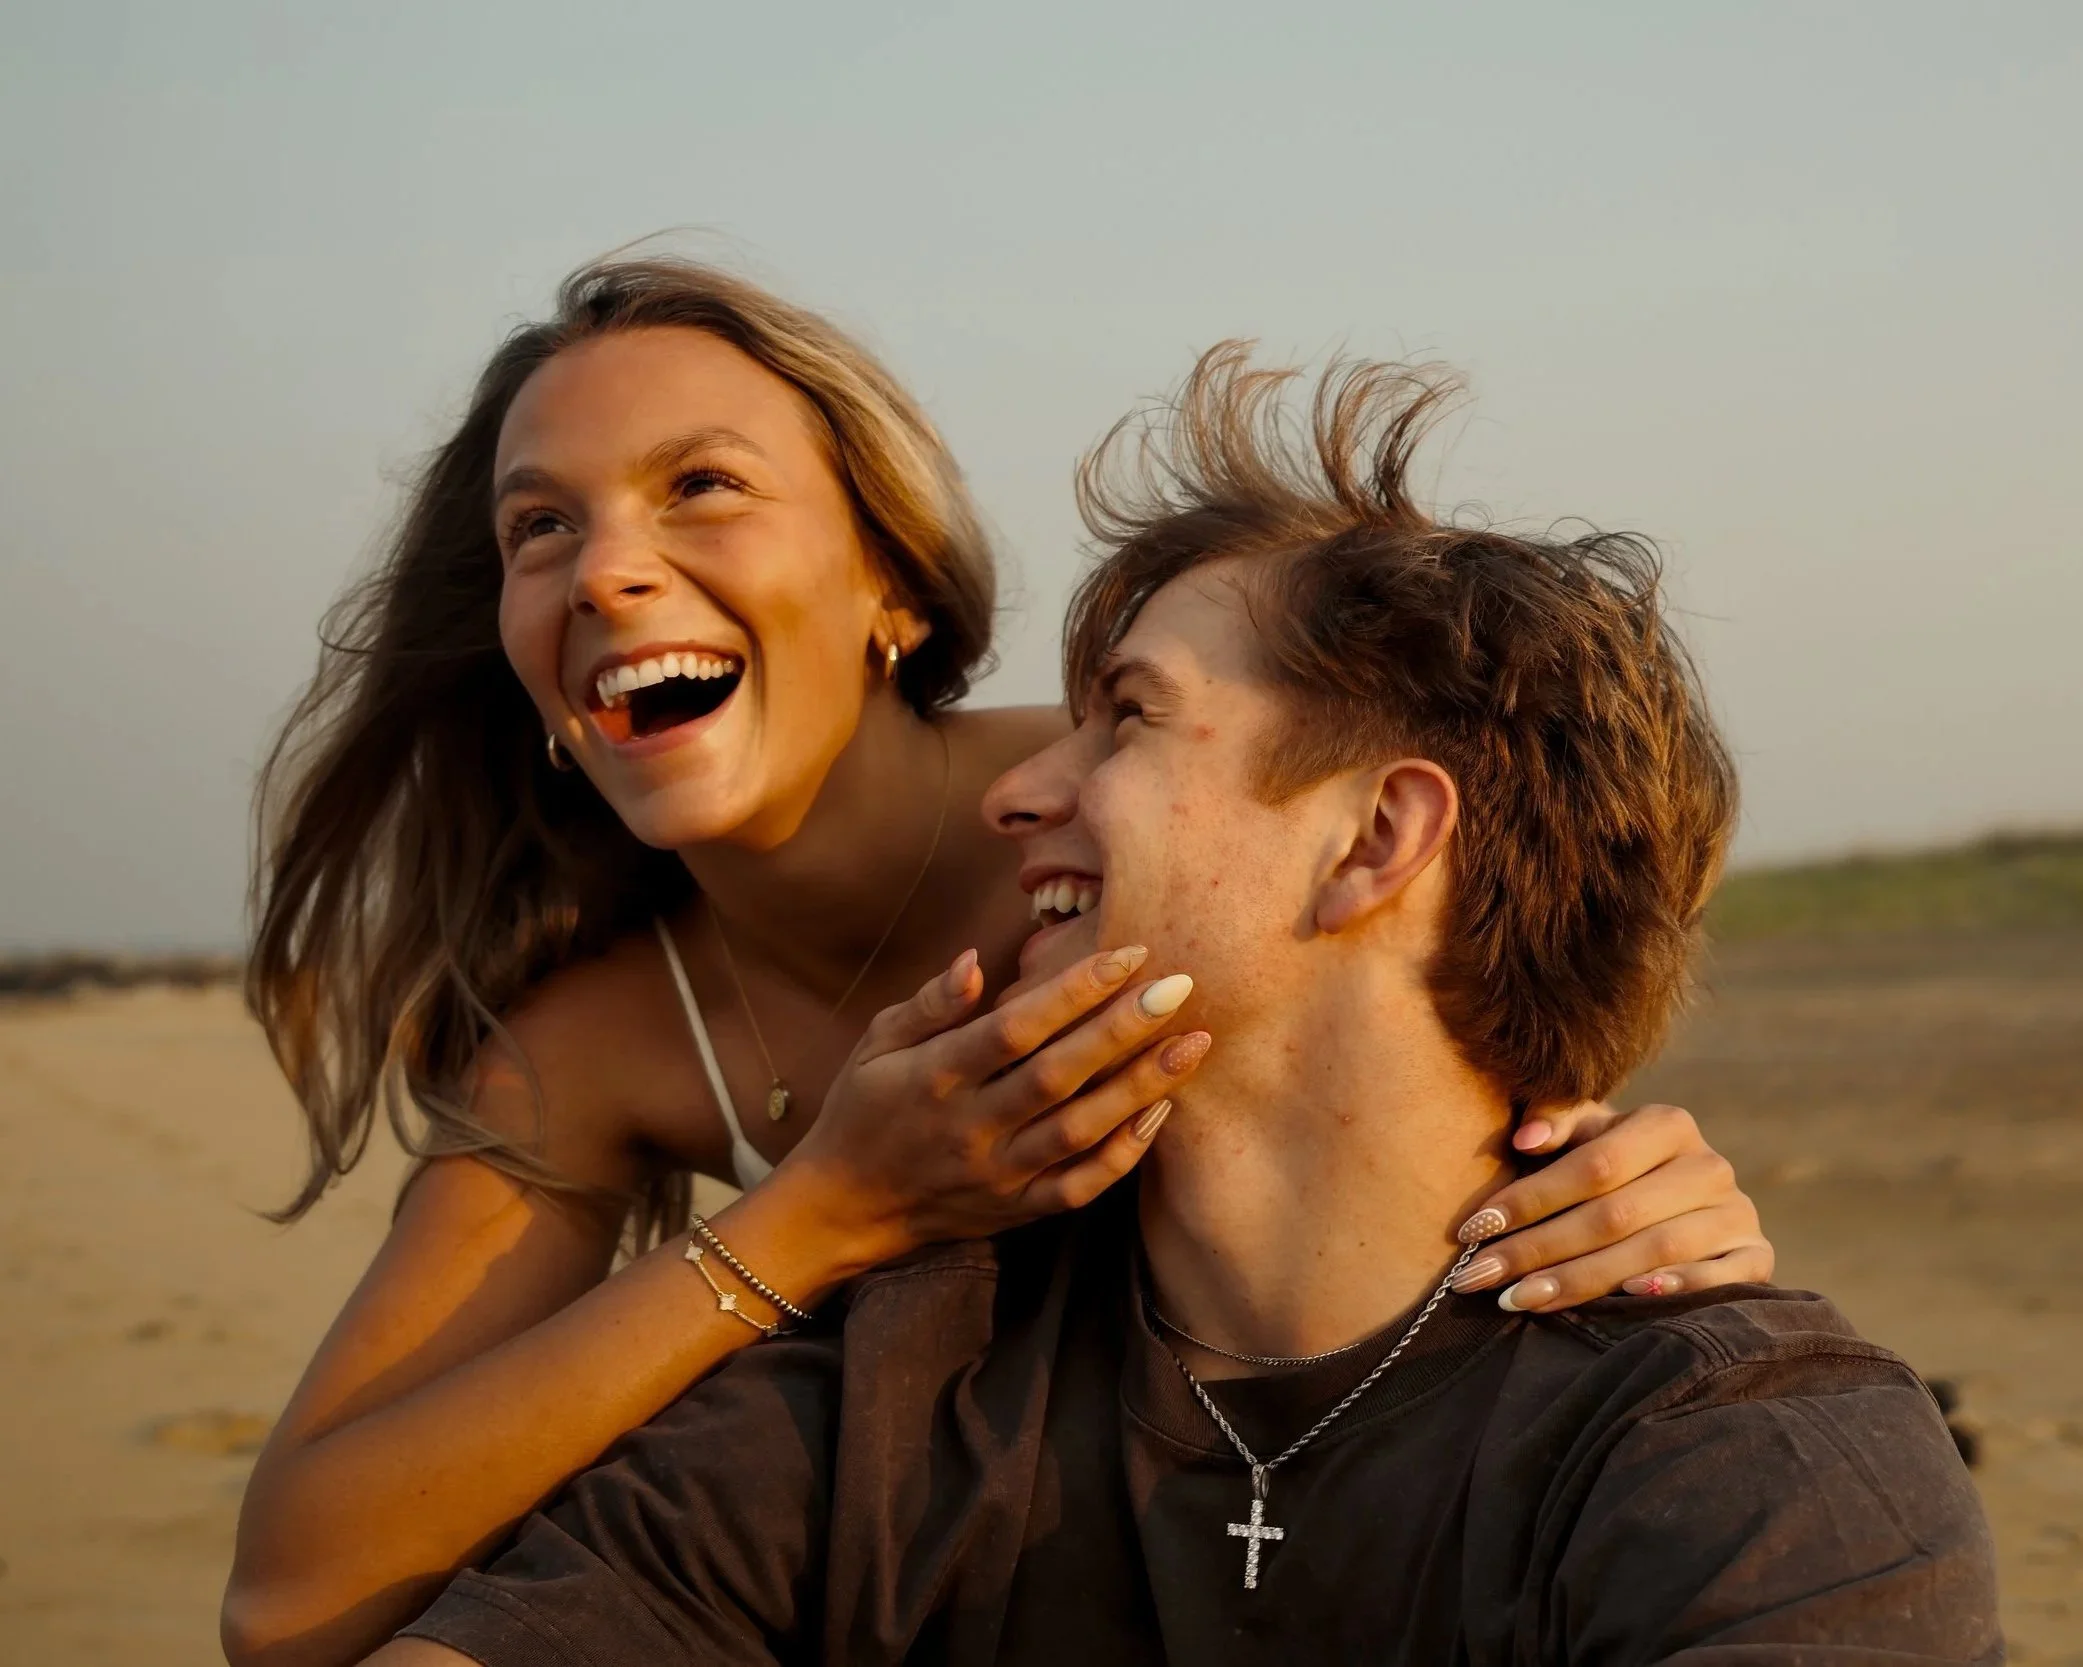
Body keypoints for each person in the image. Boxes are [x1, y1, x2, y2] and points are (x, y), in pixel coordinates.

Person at [226, 261, 1776, 1667]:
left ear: (889, 580)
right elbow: (292, 1600)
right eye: (537, 527)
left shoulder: (1113, 838)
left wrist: (1628, 1159)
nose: (604, 572)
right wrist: (822, 1211)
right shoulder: (599, 1044)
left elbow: (1465, 994)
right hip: (914, 1499)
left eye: (700, 485)